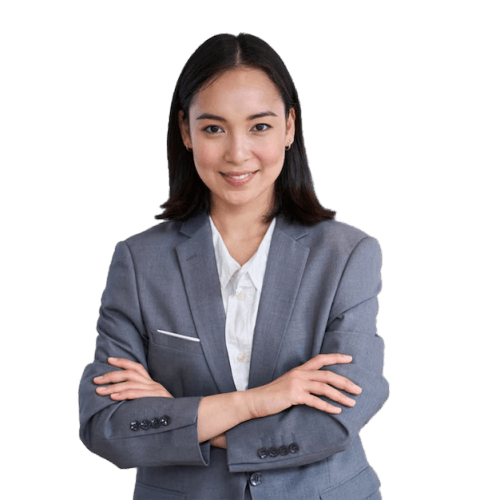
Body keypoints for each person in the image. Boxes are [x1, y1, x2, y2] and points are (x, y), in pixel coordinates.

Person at [78, 32, 389, 500]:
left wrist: (182, 417)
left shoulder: (348, 255)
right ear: (186, 132)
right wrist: (258, 401)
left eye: (259, 126)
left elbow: (335, 420)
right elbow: (107, 426)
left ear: (289, 127)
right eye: (213, 129)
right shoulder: (139, 261)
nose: (238, 153)